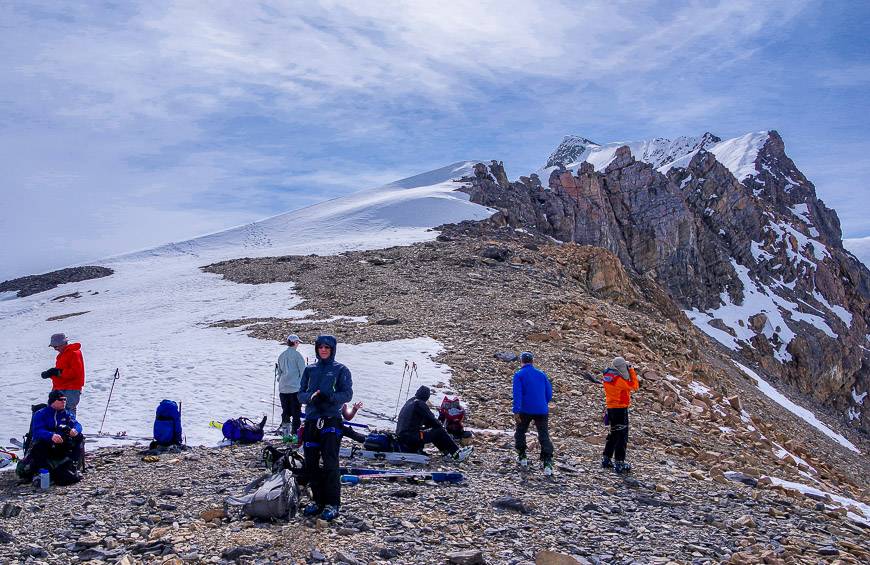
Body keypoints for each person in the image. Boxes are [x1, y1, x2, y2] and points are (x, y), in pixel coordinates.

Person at [297, 335, 353, 521]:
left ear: (332, 349)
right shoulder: (309, 369)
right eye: (320, 347)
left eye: (327, 348)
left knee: (330, 461)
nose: (323, 350)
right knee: (311, 462)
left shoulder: (340, 369)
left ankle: (332, 503)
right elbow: (300, 394)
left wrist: (330, 397)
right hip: (312, 419)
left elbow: (347, 394)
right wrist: (310, 398)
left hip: (331, 420)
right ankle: (318, 500)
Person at [396, 386, 473, 462]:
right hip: (410, 437)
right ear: (427, 397)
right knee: (439, 431)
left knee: (434, 432)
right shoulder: (420, 404)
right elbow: (432, 420)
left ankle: (447, 453)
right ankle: (456, 454)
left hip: (402, 435)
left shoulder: (410, 402)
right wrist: (441, 426)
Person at [24, 390, 84, 485]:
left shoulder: (66, 413)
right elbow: (38, 431)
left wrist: (75, 430)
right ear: (53, 401)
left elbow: (78, 425)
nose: (63, 402)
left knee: (79, 437)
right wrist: (51, 436)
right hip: (46, 444)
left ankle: (73, 465)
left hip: (61, 444)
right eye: (61, 400)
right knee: (38, 446)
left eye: (65, 399)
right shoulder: (41, 414)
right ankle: (42, 471)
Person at [512, 351, 554, 475]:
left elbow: (517, 394)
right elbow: (549, 393)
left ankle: (522, 456)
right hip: (541, 410)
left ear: (521, 361)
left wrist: (516, 411)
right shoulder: (541, 374)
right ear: (532, 361)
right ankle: (547, 462)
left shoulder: (519, 375)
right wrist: (542, 403)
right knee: (543, 434)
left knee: (520, 431)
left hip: (525, 409)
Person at [601, 356, 639, 474]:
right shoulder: (619, 380)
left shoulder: (608, 377)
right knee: (622, 436)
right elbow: (635, 386)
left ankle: (606, 458)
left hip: (611, 408)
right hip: (620, 409)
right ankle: (620, 462)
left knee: (613, 433)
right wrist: (631, 370)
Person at [41, 333, 85, 417]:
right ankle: (58, 429)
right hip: (60, 387)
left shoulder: (74, 353)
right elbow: (61, 373)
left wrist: (57, 372)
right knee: (54, 409)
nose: (55, 349)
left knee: (68, 410)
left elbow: (75, 372)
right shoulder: (62, 355)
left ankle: (70, 429)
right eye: (53, 347)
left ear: (62, 344)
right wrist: (50, 374)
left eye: (56, 346)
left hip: (71, 388)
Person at [276, 334, 306, 437]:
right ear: (295, 343)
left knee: (286, 412)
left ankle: (286, 434)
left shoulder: (281, 355)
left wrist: (281, 380)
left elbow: (279, 373)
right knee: (296, 413)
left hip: (283, 388)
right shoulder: (298, 356)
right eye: (298, 342)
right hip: (295, 388)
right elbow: (303, 372)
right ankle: (295, 435)